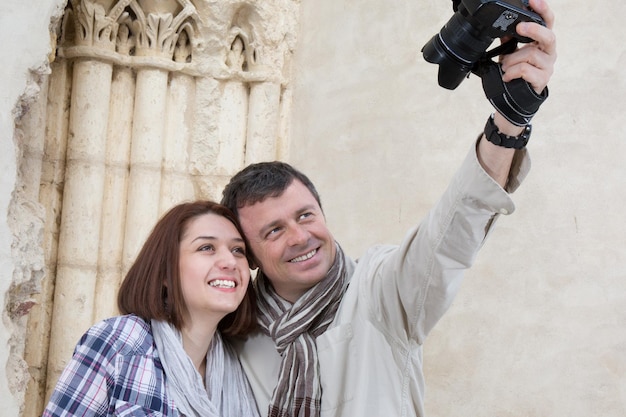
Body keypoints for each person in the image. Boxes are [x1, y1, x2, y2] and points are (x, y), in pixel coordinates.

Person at [219, 0, 557, 416]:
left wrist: (510, 120)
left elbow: (450, 234)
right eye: (273, 231)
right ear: (249, 254)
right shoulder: (233, 338)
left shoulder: (380, 291)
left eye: (305, 215)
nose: (300, 237)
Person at [43, 201, 260, 417]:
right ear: (165, 271)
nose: (230, 261)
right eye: (206, 248)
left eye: (237, 250)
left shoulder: (244, 367)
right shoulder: (120, 342)